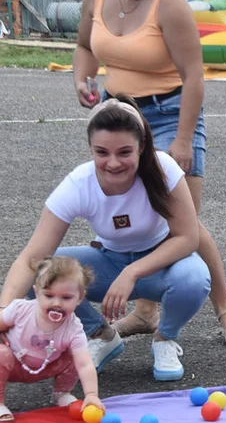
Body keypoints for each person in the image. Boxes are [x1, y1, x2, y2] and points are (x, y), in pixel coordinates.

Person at [72, 0, 226, 347]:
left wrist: (184, 140)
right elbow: (83, 47)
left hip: (172, 112)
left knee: (180, 220)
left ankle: (224, 308)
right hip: (121, 118)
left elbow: (194, 77)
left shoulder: (169, 2)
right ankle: (147, 312)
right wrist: (82, 79)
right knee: (131, 215)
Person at [0, 97, 211, 380]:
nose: (113, 163)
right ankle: (100, 334)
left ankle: (165, 339)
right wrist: (4, 313)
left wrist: (133, 271)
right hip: (109, 263)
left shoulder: (164, 169)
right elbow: (32, 258)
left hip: (162, 265)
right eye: (102, 152)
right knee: (41, 273)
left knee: (194, 278)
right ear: (90, 149)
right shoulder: (78, 184)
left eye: (125, 152)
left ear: (142, 147)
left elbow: (188, 238)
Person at [0, 258, 104, 422]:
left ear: (80, 298)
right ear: (36, 292)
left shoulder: (73, 328)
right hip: (13, 363)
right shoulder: (20, 309)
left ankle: (61, 393)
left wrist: (91, 395)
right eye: (48, 295)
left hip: (47, 365)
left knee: (75, 354)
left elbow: (84, 364)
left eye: (66, 297)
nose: (56, 303)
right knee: (1, 353)